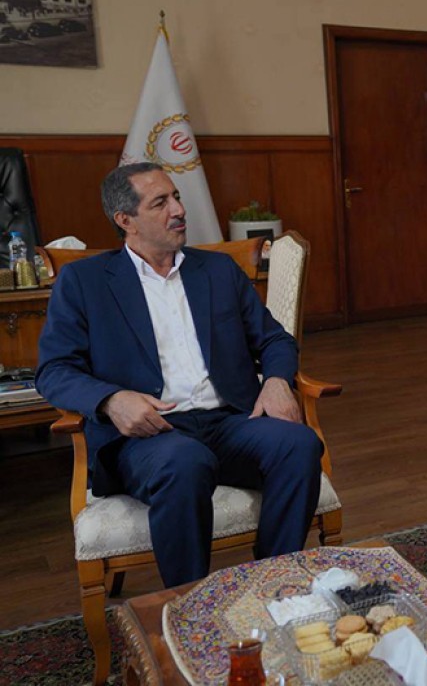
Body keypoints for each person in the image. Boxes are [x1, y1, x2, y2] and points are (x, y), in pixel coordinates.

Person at [37, 162, 323, 588]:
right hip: (149, 436)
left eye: (176, 197)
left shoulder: (218, 270)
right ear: (126, 220)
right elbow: (54, 370)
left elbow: (274, 340)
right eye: (160, 203)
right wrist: (112, 400)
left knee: (299, 444)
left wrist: (278, 381)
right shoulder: (85, 281)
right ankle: (189, 600)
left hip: (229, 421)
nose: (178, 210)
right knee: (186, 461)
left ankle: (273, 582)